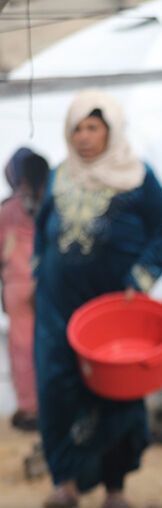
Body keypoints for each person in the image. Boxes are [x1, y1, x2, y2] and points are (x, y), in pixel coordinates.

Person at [32, 90, 162, 508]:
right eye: (77, 128)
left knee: (115, 391)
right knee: (57, 390)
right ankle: (65, 483)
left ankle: (115, 486)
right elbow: (42, 231)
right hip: (58, 309)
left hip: (113, 310)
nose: (84, 136)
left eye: (93, 127)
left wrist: (142, 275)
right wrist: (38, 272)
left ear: (111, 130)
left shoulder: (136, 177)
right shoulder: (60, 176)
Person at [0, 147, 49, 431]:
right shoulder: (52, 203)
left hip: (18, 286)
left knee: (22, 349)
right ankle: (53, 404)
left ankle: (30, 408)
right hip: (49, 283)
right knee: (51, 344)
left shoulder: (8, 210)